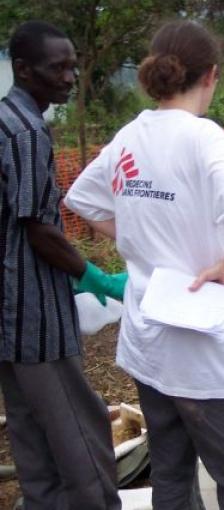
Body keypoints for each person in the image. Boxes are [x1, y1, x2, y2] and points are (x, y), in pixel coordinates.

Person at [64, 21, 224, 508]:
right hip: (206, 354)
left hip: (149, 341)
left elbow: (82, 199)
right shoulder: (205, 139)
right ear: (211, 75)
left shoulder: (130, 137)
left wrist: (139, 240)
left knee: (171, 473)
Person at [0, 21, 124, 510]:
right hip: (34, 309)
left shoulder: (4, 119)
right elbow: (39, 228)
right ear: (25, 69)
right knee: (77, 420)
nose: (70, 77)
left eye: (72, 66)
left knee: (29, 424)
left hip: (8, 313)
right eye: (58, 68)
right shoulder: (27, 131)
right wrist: (94, 276)